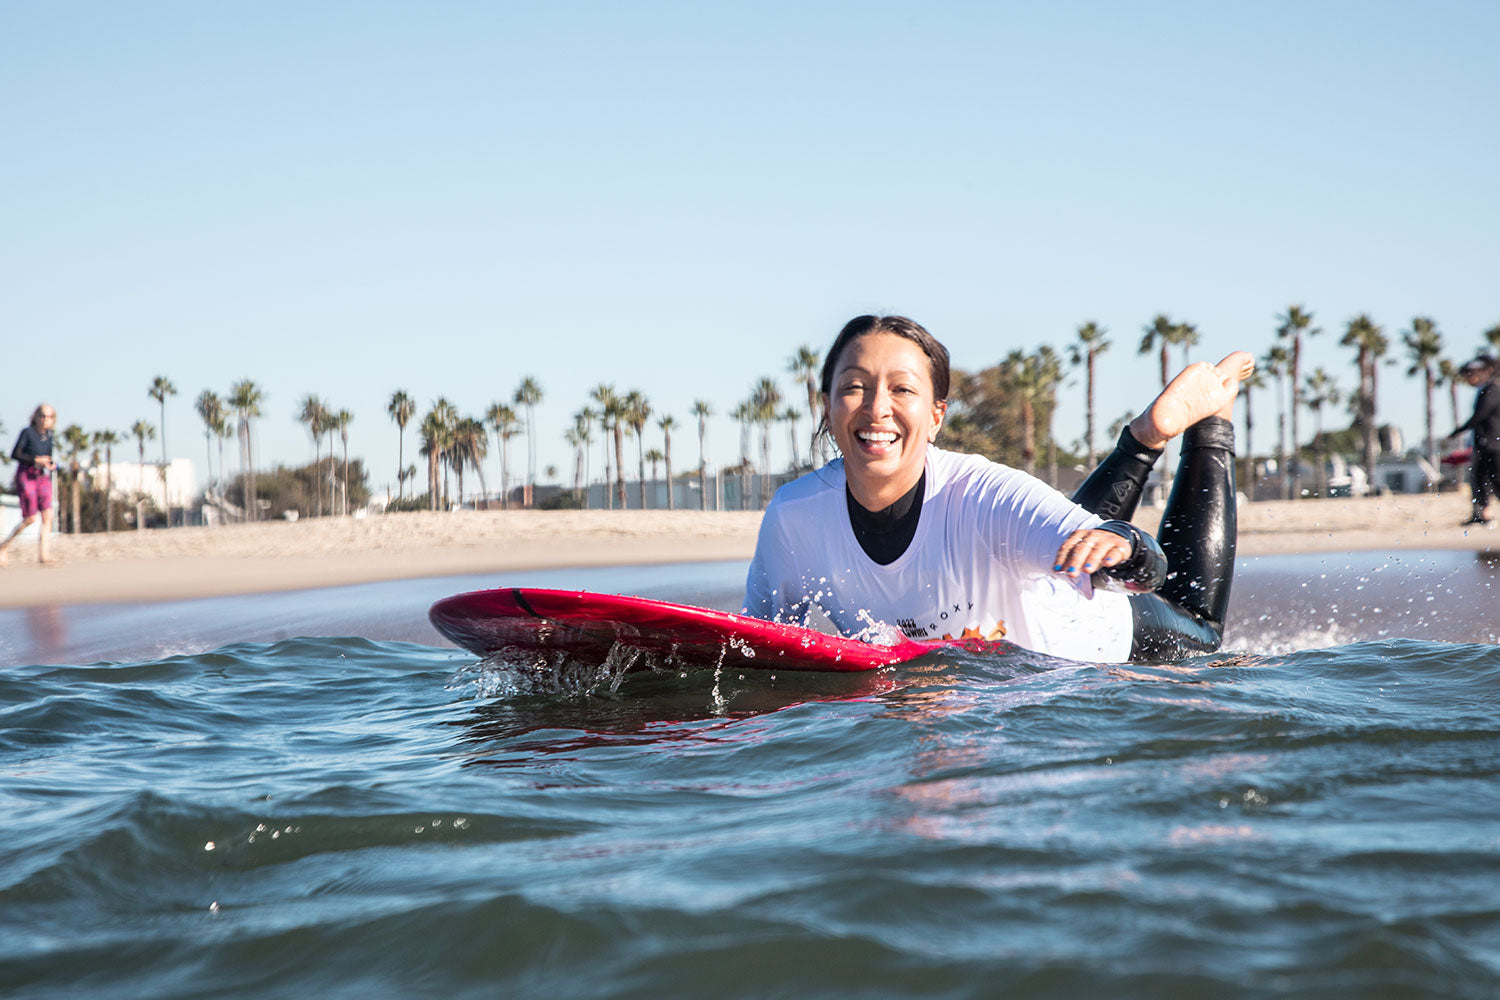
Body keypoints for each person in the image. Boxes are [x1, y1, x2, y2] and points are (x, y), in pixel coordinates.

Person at [744, 315, 1252, 663]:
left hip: (1099, 638)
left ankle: (1210, 421)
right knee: (1061, 551)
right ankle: (1141, 441)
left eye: (902, 389)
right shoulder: (796, 516)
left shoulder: (980, 493)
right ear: (828, 406)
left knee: (1202, 635)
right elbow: (757, 642)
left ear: (937, 416)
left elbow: (1146, 567)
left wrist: (1127, 545)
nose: (876, 408)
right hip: (1037, 576)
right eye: (854, 386)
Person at [1, 404, 59, 567]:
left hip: (42, 477)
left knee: (48, 515)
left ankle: (44, 555)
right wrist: (35, 460)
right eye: (42, 415)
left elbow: (49, 457)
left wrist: (50, 464)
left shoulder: (49, 436)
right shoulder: (27, 433)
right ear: (35, 416)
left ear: (53, 419)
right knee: (30, 518)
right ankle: (3, 547)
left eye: (49, 416)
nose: (44, 419)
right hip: (26, 475)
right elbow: (15, 454)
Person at [1449, 355, 1499, 526]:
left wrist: (1459, 430)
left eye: (1471, 374)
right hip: (1484, 444)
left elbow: (1480, 415)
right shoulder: (1485, 389)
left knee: (1496, 480)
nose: (1469, 379)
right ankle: (1482, 514)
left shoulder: (1493, 390)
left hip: (1493, 445)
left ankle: (1484, 514)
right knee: (1479, 480)